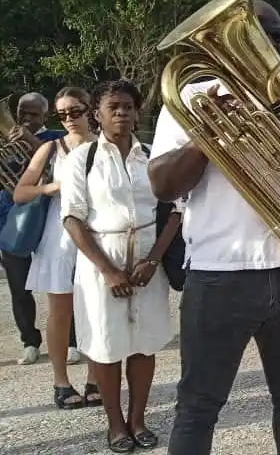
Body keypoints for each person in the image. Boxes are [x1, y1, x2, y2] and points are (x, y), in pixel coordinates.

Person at [150, 0, 280, 455]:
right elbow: (163, 185)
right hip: (218, 274)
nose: (266, 44)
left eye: (276, 35)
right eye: (252, 33)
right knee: (198, 407)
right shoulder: (190, 100)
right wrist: (212, 132)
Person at [62, 80, 178, 452]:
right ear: (96, 113)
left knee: (145, 345)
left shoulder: (151, 156)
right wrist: (108, 270)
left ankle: (138, 419)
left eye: (128, 106)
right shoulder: (83, 158)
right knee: (108, 345)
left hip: (148, 260)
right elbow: (72, 218)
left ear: (138, 111)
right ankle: (115, 424)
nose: (122, 113)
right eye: (113, 107)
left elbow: (175, 211)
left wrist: (154, 259)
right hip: (101, 261)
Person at [14, 87, 99, 409]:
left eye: (75, 111)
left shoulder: (105, 145)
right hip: (60, 235)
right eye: (62, 114)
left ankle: (95, 377)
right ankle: (61, 382)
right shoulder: (52, 147)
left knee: (97, 309)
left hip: (99, 233)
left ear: (90, 109)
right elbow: (21, 192)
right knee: (61, 313)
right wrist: (52, 186)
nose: (69, 119)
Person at [1, 92, 65, 366]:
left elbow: (62, 166)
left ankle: (70, 340)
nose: (26, 119)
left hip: (48, 220)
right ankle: (29, 340)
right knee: (18, 287)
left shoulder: (55, 138)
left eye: (33, 115)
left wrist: (31, 141)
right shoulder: (4, 140)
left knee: (60, 285)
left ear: (46, 115)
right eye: (21, 113)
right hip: (10, 221)